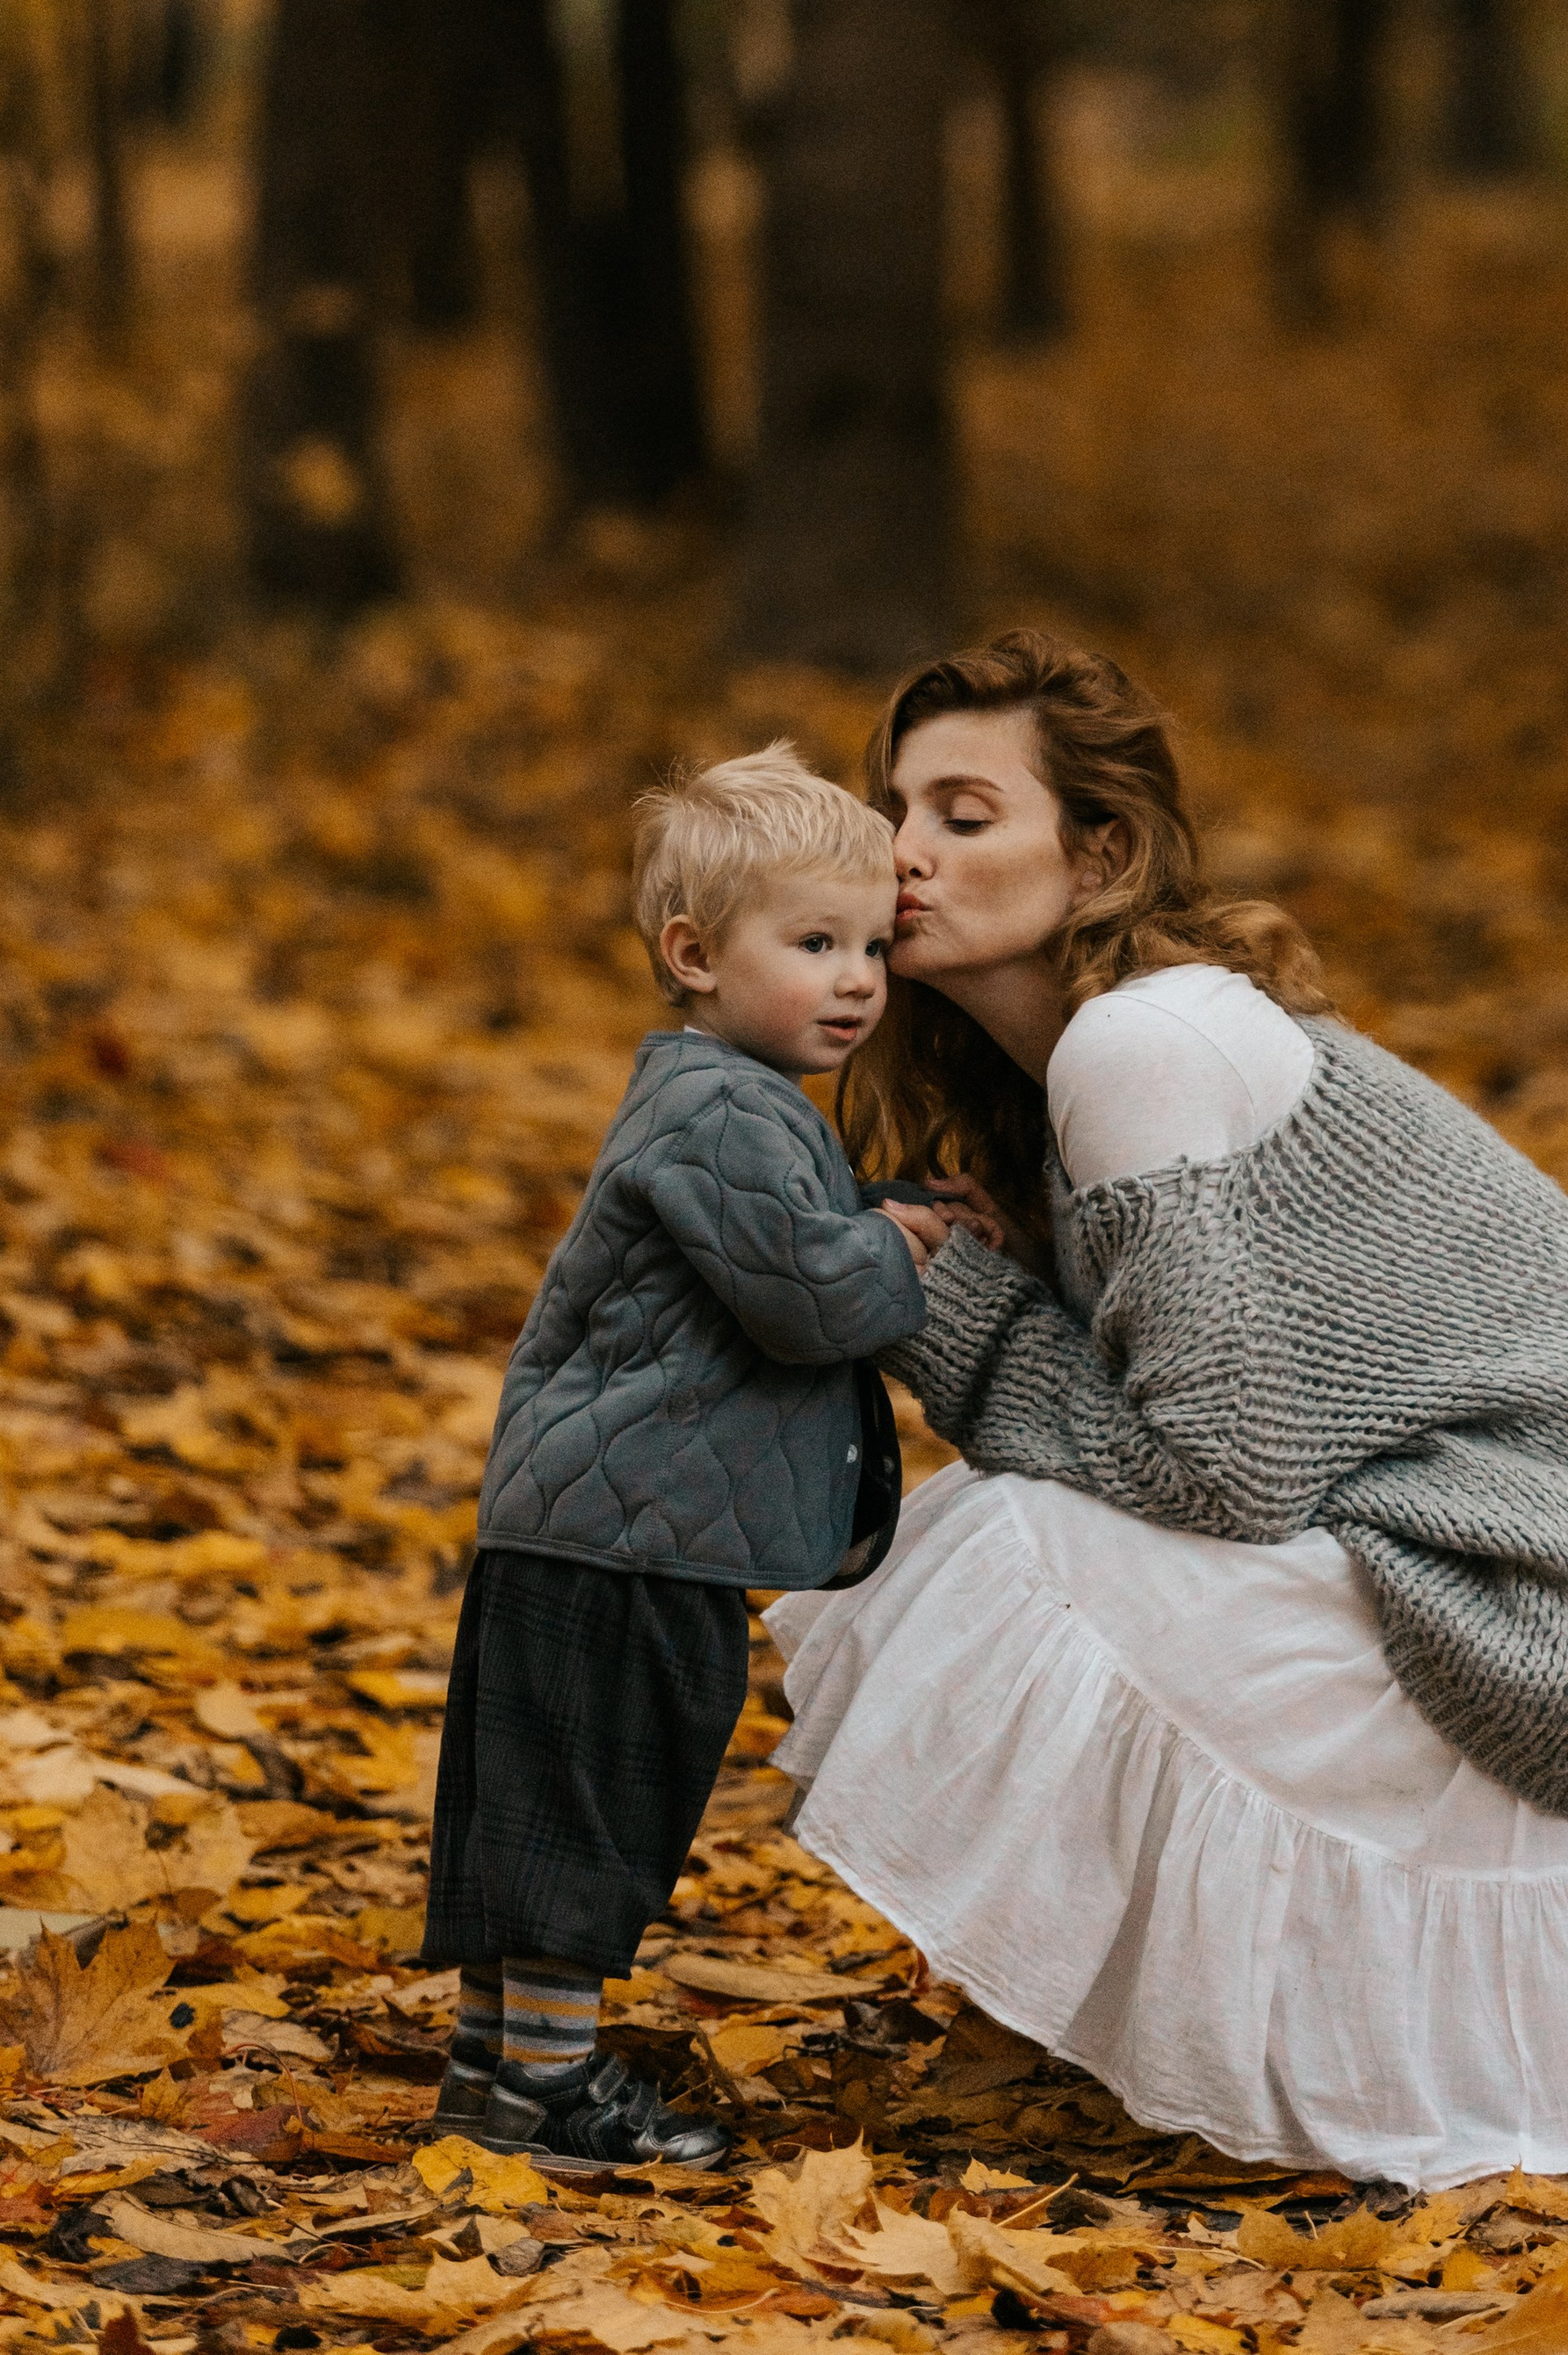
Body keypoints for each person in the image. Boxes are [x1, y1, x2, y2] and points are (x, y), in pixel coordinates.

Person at [766, 632, 1568, 2187]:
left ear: (1099, 857)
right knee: (1031, 1524)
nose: (904, 855)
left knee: (1000, 1541)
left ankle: (1202, 2039)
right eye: (899, 809)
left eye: (964, 814)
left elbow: (1219, 1471)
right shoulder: (1112, 1052)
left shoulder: (1138, 1043)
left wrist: (946, 1311)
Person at [422, 747, 937, 2172]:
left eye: (874, 949)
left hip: (609, 1524)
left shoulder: (739, 1105)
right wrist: (898, 1250)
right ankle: (548, 2088)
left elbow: (788, 1236)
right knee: (593, 1803)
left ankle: (498, 2072)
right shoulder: (718, 1107)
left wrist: (883, 1207)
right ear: (694, 955)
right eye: (816, 943)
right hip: (625, 1533)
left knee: (545, 1805)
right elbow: (806, 1294)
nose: (857, 981)